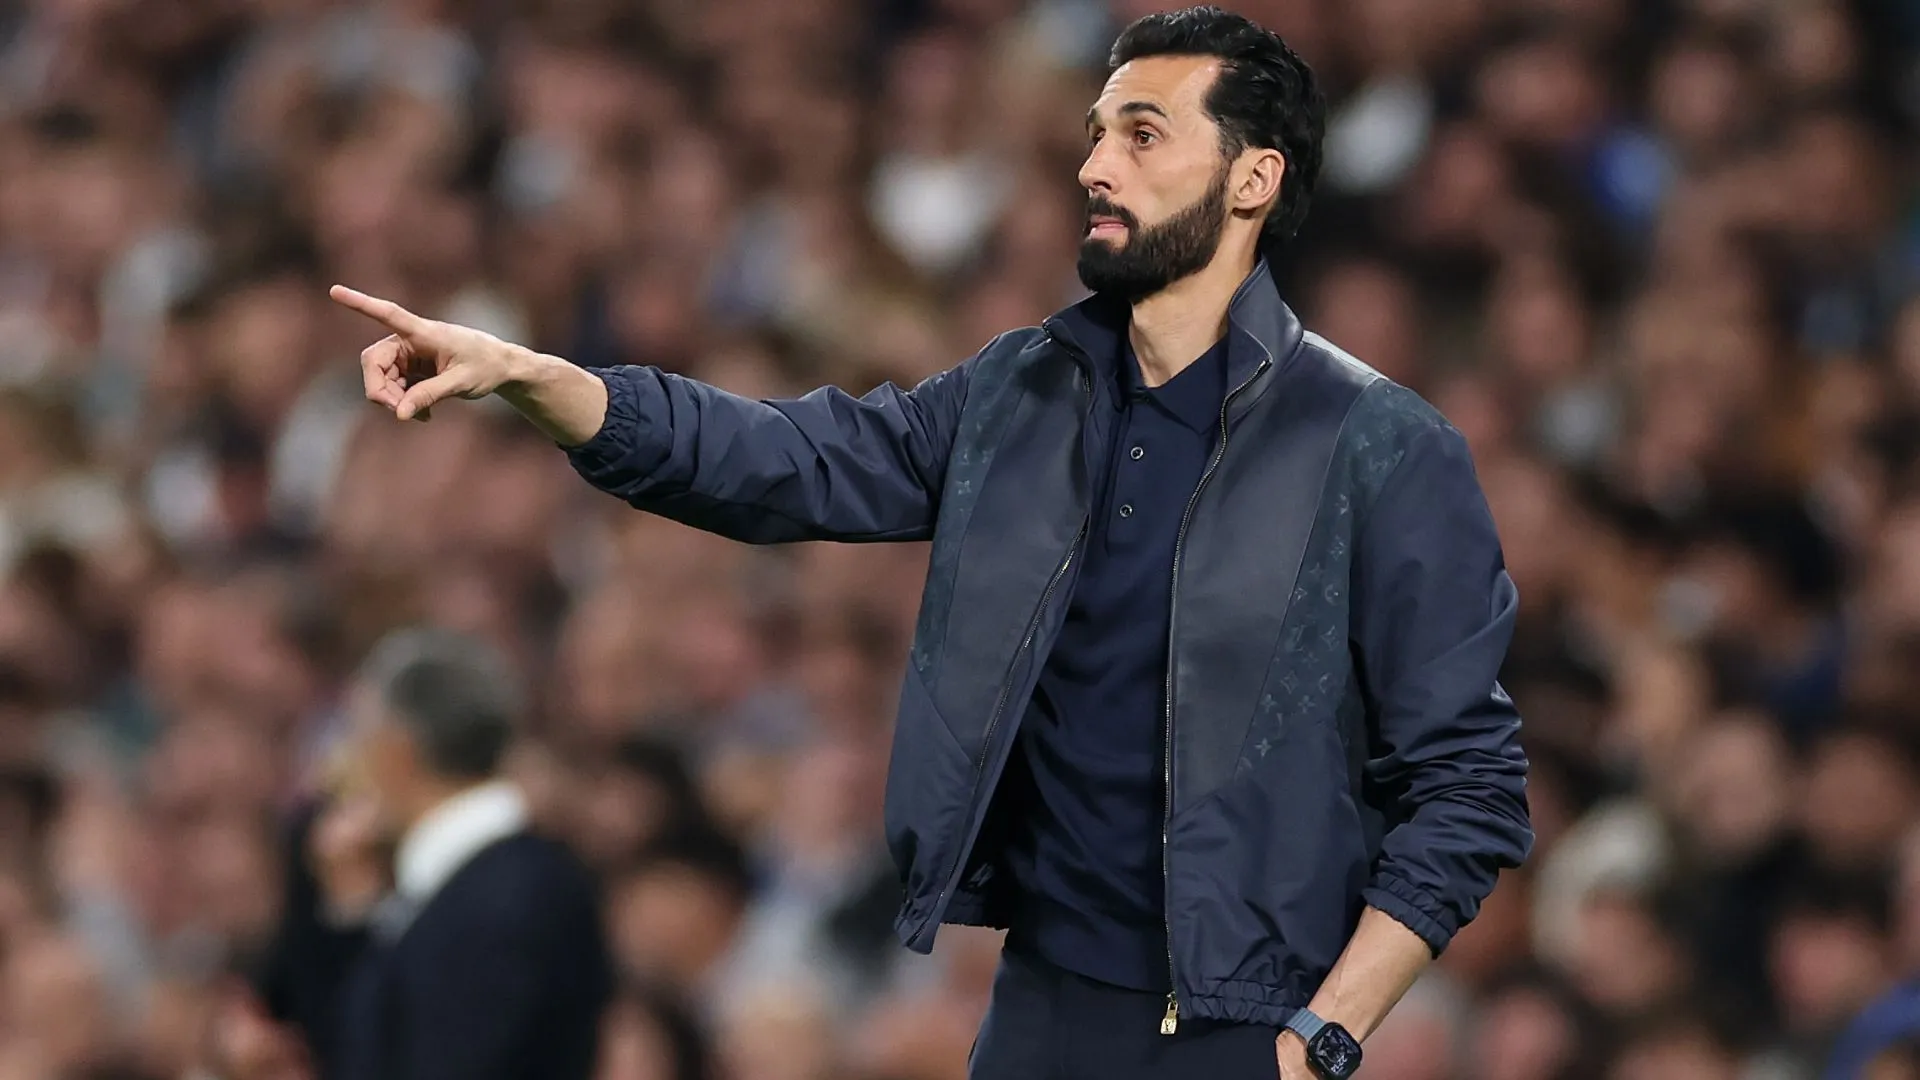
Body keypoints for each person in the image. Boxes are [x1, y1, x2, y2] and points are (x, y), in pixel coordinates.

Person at [329, 7, 1532, 1077]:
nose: (1093, 165)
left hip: (1239, 1029)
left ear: (1254, 178)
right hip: (1040, 1007)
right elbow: (784, 462)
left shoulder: (1380, 448)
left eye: (1143, 135)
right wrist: (537, 378)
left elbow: (1469, 789)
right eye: (1098, 132)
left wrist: (1320, 1040)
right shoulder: (1024, 391)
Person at [237, 627, 612, 1080]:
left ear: (397, 751)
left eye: (356, 734)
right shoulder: (485, 885)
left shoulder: (505, 898)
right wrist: (355, 914)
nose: (340, 762)